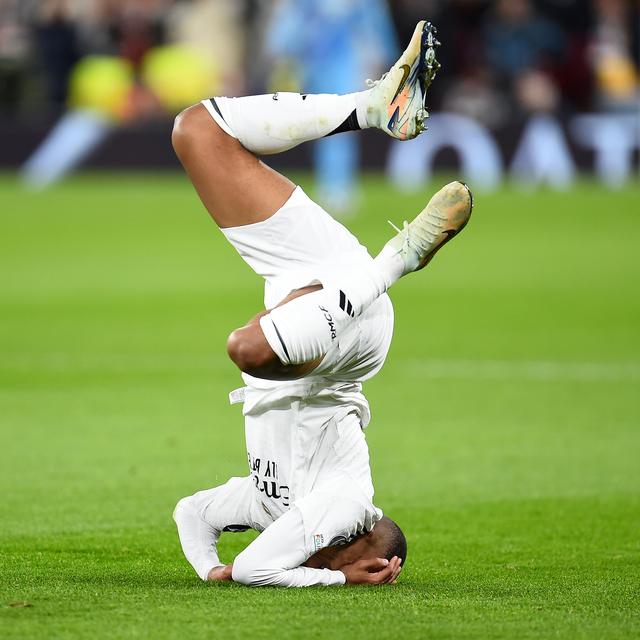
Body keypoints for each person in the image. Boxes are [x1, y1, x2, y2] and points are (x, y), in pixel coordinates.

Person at [172, 21, 472, 587]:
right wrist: (334, 580)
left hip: (312, 284)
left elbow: (192, 514)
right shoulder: (349, 508)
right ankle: (399, 259)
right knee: (248, 348)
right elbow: (257, 569)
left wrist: (210, 568)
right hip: (352, 334)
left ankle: (372, 107)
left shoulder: (269, 509)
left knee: (198, 131)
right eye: (359, 569)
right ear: (380, 562)